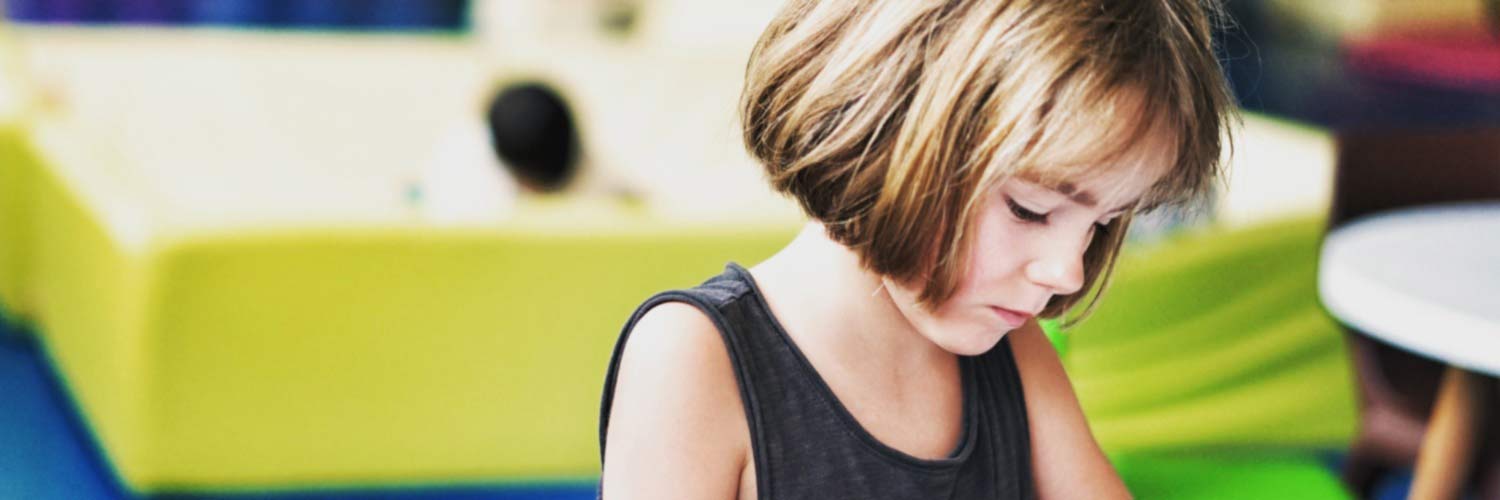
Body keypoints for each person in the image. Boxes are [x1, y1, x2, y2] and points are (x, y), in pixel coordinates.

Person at [598, 0, 1236, 498]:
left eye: (1102, 223)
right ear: (886, 132)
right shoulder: (692, 359)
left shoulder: (1014, 357)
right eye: (1031, 209)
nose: (1066, 271)